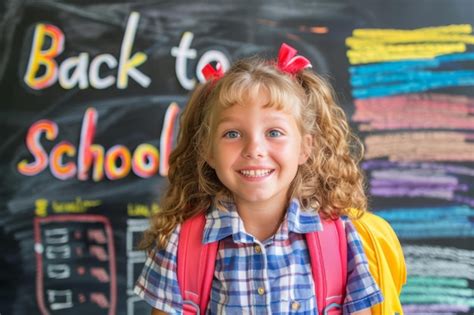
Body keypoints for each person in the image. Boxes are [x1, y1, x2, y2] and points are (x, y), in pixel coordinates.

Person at [135, 43, 384, 314]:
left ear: (304, 147)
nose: (254, 149)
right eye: (232, 134)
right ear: (207, 150)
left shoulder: (339, 238)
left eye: (274, 132)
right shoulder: (182, 244)